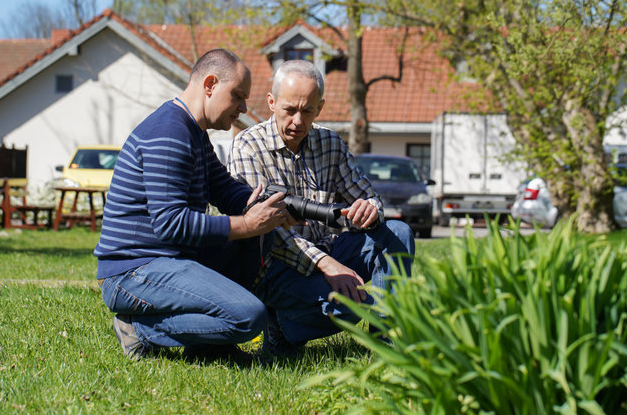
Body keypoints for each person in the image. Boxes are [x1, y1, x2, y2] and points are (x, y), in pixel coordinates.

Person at [94, 48, 294, 361]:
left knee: (258, 233)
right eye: (238, 96)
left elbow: (225, 190)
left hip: (168, 261)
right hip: (132, 272)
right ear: (210, 84)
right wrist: (245, 224)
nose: (243, 108)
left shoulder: (193, 133)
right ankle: (139, 329)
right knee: (249, 317)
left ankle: (210, 347)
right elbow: (172, 223)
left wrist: (271, 207)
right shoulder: (169, 133)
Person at [227, 59, 415, 356]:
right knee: (355, 310)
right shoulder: (247, 146)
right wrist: (327, 265)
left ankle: (385, 343)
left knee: (398, 232)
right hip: (277, 266)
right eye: (289, 110)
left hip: (329, 252)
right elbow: (264, 231)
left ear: (320, 107)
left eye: (307, 110)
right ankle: (280, 326)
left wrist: (369, 209)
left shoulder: (331, 143)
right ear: (271, 102)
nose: (298, 121)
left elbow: (367, 197)